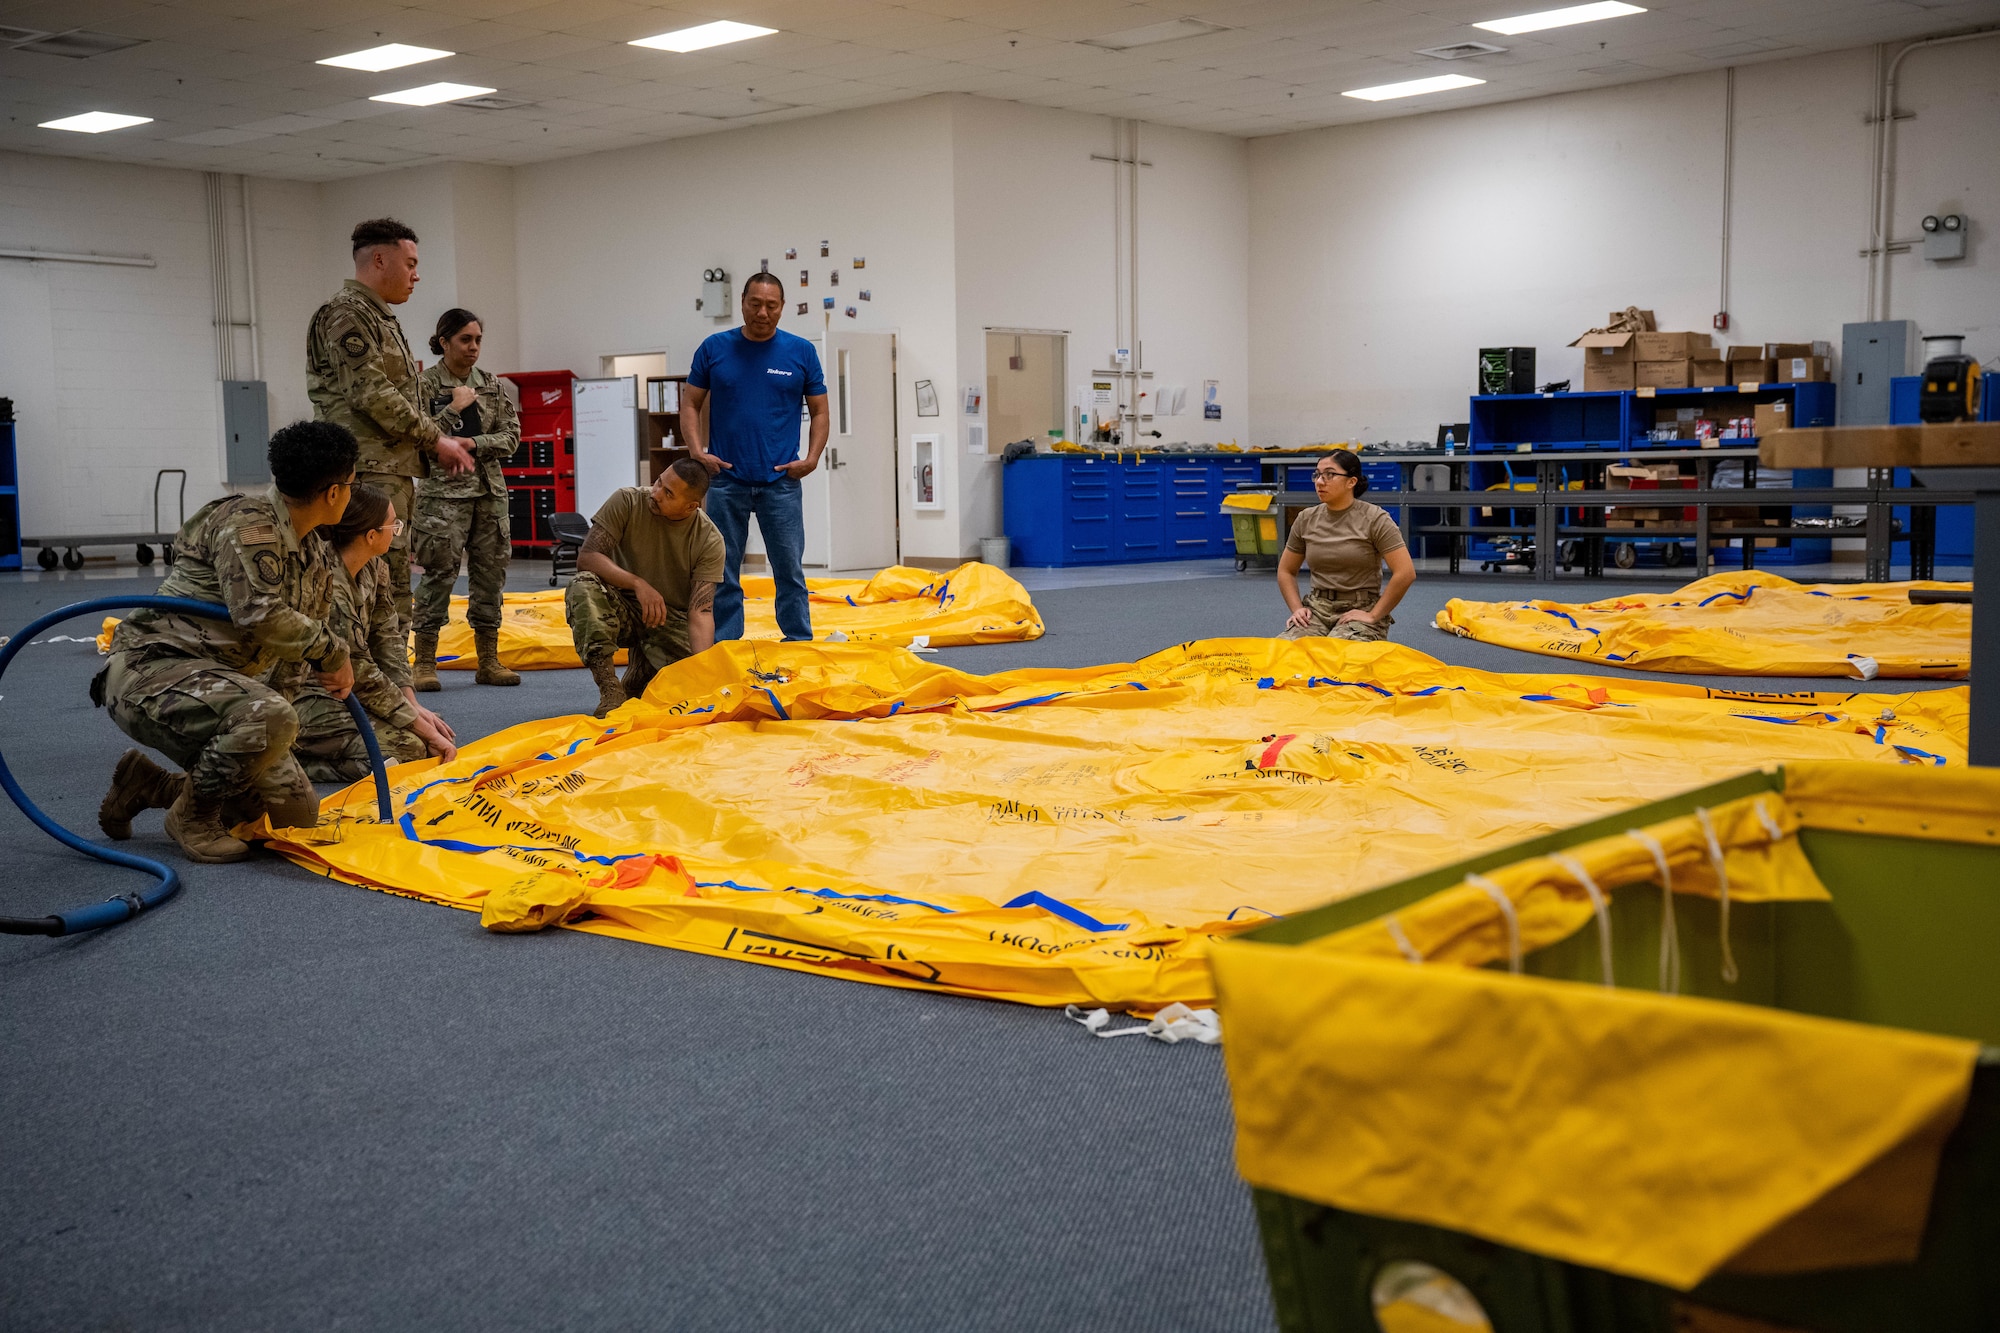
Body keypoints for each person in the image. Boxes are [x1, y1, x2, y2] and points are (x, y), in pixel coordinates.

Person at [93, 420, 359, 863]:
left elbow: (291, 658)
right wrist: (333, 652)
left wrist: (268, 744)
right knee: (269, 722)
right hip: (152, 671)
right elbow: (260, 614)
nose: (352, 492)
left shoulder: (312, 555)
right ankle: (192, 819)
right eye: (353, 482)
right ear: (334, 492)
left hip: (218, 688)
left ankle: (149, 785)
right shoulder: (247, 522)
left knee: (295, 813)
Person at [307, 217, 475, 638]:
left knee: (391, 587)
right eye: (411, 263)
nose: (417, 275)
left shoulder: (379, 317)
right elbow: (372, 393)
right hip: (366, 472)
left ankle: (391, 693)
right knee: (372, 590)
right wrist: (437, 439)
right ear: (379, 259)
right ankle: (370, 694)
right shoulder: (347, 314)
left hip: (389, 469)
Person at [681, 271, 827, 643]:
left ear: (782, 308)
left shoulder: (801, 352)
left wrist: (811, 459)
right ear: (743, 302)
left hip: (781, 482)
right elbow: (690, 403)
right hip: (726, 481)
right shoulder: (714, 348)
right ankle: (727, 644)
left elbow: (821, 411)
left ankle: (798, 640)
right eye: (755, 304)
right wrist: (698, 453)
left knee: (789, 569)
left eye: (771, 305)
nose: (762, 312)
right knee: (723, 569)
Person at [293, 484, 459, 782]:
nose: (397, 532)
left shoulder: (374, 569)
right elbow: (359, 669)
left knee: (428, 732)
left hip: (349, 692)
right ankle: (289, 768)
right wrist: (414, 722)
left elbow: (387, 640)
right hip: (307, 696)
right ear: (371, 536)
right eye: (393, 526)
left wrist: (412, 704)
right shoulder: (328, 585)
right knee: (409, 747)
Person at [411, 307, 521, 690]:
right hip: (441, 498)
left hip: (488, 494)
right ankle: (424, 663)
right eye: (465, 340)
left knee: (490, 577)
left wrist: (472, 442)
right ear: (444, 342)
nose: (473, 347)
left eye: (478, 340)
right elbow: (416, 440)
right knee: (439, 576)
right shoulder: (423, 385)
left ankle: (488, 661)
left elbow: (511, 437)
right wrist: (454, 409)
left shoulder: (490, 384)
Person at [566, 458, 724, 718]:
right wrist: (637, 583)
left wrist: (701, 670)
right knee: (582, 586)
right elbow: (588, 557)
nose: (656, 493)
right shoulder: (626, 501)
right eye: (659, 482)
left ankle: (640, 673)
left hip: (666, 618)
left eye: (668, 493)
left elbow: (701, 611)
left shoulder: (709, 539)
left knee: (689, 690)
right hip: (618, 606)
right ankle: (610, 690)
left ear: (690, 507)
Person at [1277, 449, 1415, 642]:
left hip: (1360, 608)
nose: (1319, 481)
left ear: (1352, 482)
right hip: (1317, 609)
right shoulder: (1306, 519)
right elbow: (1286, 570)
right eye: (1317, 474)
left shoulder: (1375, 518)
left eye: (1330, 475)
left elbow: (1405, 572)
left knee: (1338, 658)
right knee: (1286, 654)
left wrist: (1373, 615)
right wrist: (1297, 609)